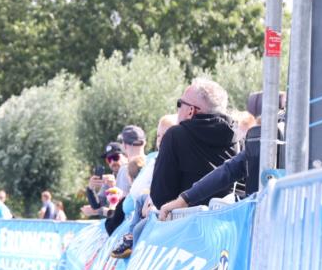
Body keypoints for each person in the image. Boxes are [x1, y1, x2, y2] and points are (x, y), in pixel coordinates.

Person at [112, 79, 238, 258]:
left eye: (180, 104)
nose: (177, 109)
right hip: (222, 237)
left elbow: (160, 196)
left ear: (191, 111)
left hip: (178, 238)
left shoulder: (176, 135)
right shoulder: (235, 138)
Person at [158, 91, 286, 219]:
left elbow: (231, 170)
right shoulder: (271, 136)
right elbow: (231, 169)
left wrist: (183, 200)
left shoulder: (175, 135)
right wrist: (184, 199)